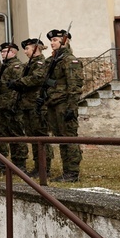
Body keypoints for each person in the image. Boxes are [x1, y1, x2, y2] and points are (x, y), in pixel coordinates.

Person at [41, 29, 84, 182]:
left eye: (55, 41)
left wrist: (71, 108)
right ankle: (66, 171)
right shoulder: (54, 60)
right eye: (51, 41)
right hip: (53, 103)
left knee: (69, 138)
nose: (52, 43)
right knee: (60, 138)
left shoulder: (69, 60)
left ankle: (72, 173)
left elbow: (74, 86)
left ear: (64, 42)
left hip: (64, 104)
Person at [8, 37, 52, 177]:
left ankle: (44, 167)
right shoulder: (29, 64)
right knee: (33, 137)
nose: (25, 51)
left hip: (36, 104)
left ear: (35, 48)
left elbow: (37, 78)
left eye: (27, 48)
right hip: (27, 104)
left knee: (41, 137)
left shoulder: (40, 63)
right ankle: (38, 166)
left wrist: (18, 82)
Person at [0, 42, 28, 171]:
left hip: (12, 105)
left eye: (5, 51)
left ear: (14, 52)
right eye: (1, 52)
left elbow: (16, 87)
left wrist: (13, 103)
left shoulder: (16, 66)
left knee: (16, 134)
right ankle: (13, 162)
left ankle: (21, 163)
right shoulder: (4, 66)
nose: (2, 54)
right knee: (7, 134)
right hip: (3, 104)